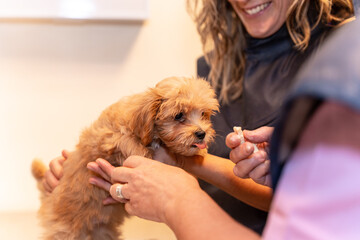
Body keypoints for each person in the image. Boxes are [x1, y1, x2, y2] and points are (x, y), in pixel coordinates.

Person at [42, 0, 355, 234]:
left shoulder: (345, 57)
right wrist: (82, 178)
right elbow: (177, 182)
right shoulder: (214, 68)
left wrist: (179, 182)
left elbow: (319, 206)